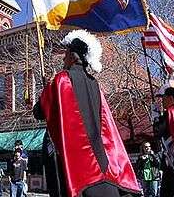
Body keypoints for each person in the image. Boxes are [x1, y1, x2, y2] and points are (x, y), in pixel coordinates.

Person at [34, 30, 141, 197]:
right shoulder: (95, 84)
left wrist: (47, 89)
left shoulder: (61, 79)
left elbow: (39, 112)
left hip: (78, 171)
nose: (63, 58)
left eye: (66, 53)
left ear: (73, 56)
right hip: (104, 165)